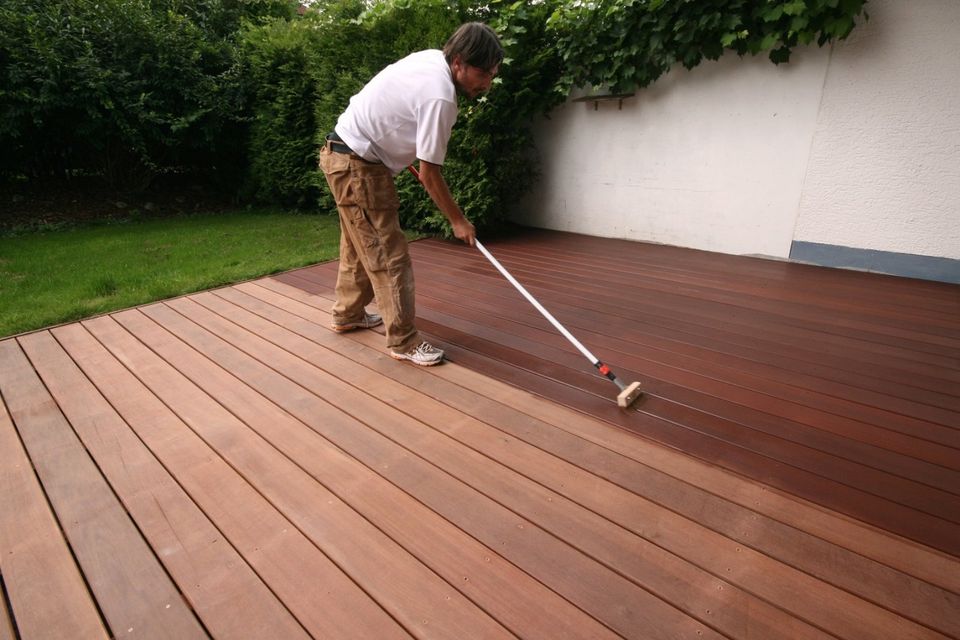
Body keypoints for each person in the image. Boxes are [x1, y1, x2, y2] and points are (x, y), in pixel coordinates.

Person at [319, 22, 503, 366]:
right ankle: (404, 341)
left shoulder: (432, 59)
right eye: (483, 73)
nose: (487, 83)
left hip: (343, 154)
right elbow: (430, 175)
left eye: (493, 74)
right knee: (389, 255)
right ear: (460, 62)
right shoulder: (441, 97)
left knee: (360, 246)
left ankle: (348, 314)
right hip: (358, 166)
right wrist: (458, 221)